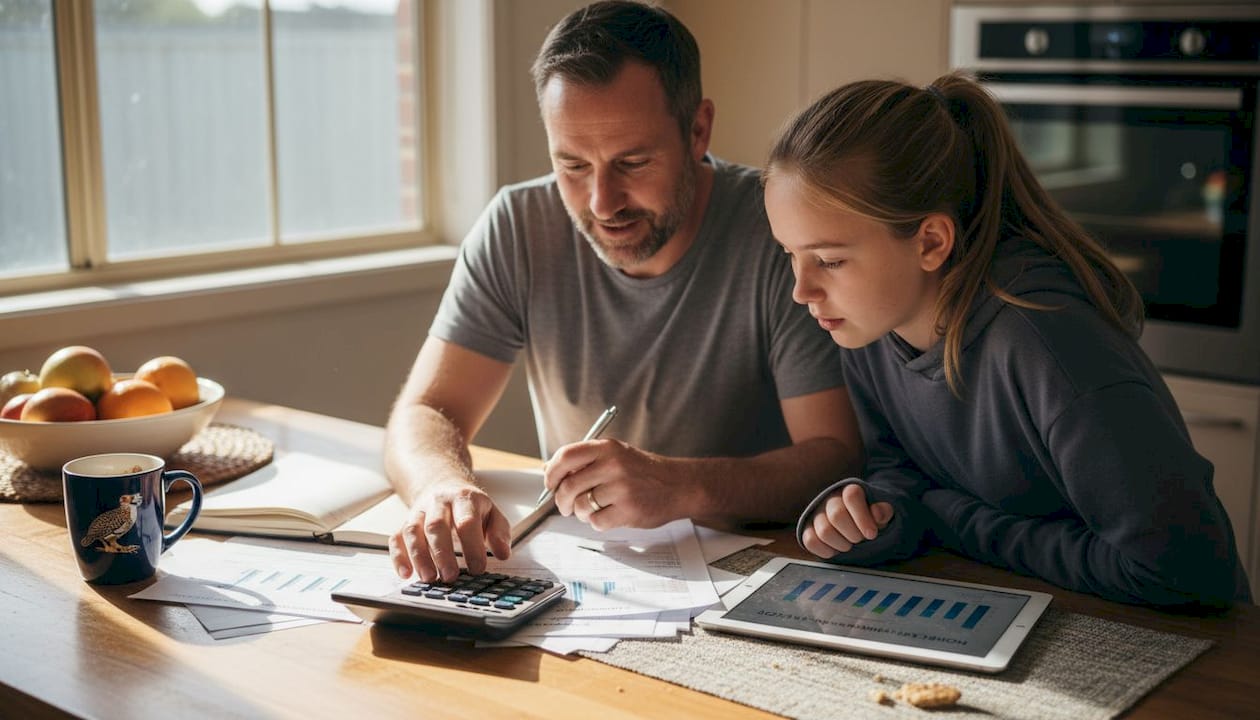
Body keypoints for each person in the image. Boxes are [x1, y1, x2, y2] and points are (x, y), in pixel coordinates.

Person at [384, 1, 862, 584]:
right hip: (583, 571)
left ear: (698, 130)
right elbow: (428, 410)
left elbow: (834, 455)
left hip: (759, 570)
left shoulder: (777, 234)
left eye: (632, 162)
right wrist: (441, 486)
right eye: (573, 165)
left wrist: (678, 485)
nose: (601, 203)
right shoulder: (518, 225)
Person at [763, 71, 1252, 607]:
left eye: (830, 260)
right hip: (1027, 612)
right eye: (792, 254)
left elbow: (1181, 569)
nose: (801, 290)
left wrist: (948, 519)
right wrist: (880, 513)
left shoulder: (1049, 345)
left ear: (930, 241)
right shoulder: (869, 325)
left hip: (1169, 645)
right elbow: (900, 471)